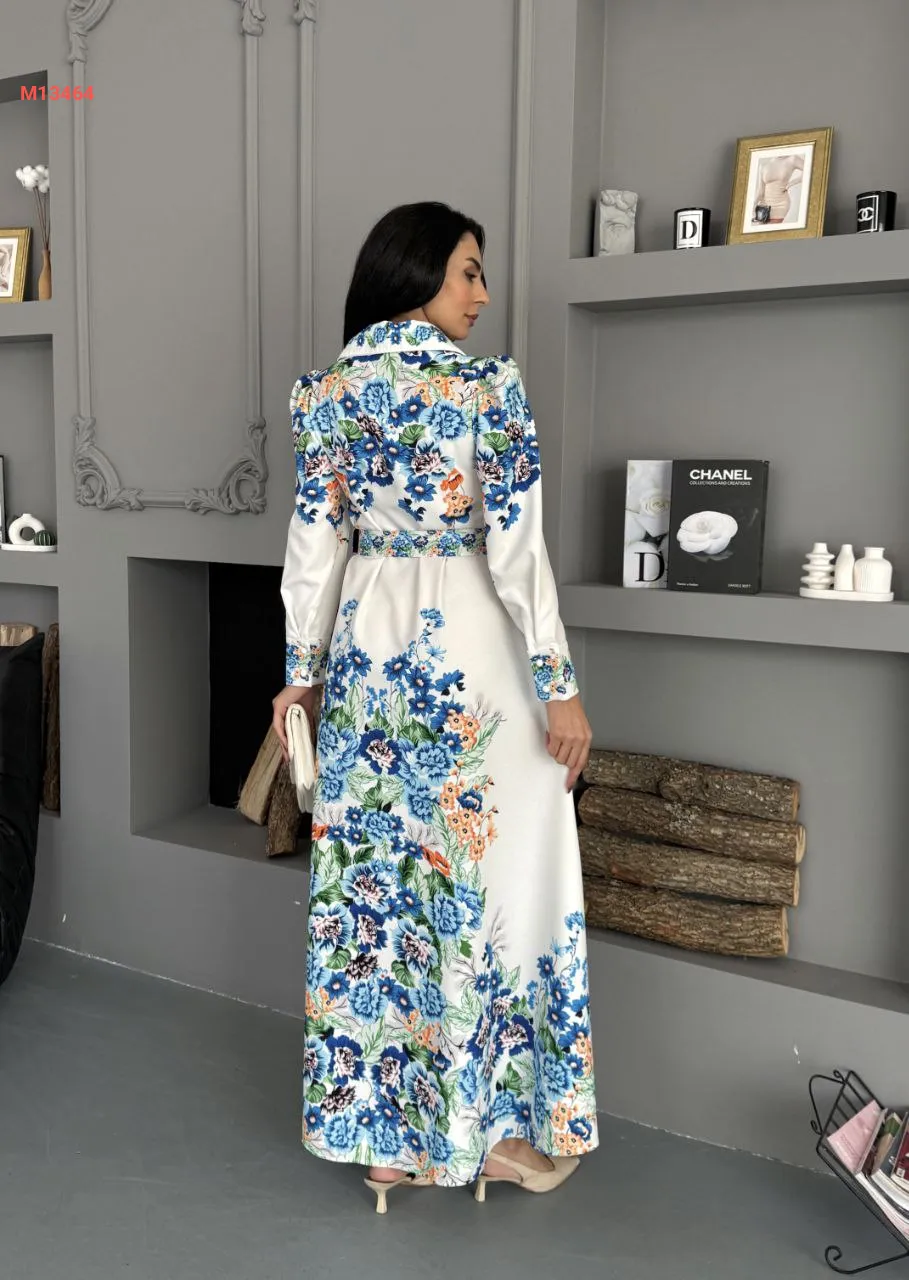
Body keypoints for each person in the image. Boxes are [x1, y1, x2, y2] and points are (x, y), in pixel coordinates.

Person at [272, 201, 598, 1213]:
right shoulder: (483, 388)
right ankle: (496, 1134)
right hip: (472, 657)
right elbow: (518, 552)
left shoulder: (327, 395)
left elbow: (312, 549)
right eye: (468, 271)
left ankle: (388, 1145)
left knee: (383, 891)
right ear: (415, 274)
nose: (482, 295)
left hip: (368, 657)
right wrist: (560, 685)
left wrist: (301, 673)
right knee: (500, 876)